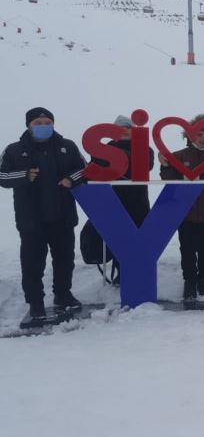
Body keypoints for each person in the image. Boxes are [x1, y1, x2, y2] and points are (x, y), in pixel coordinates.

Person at [1, 107, 86, 319]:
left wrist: (71, 179)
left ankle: (63, 294)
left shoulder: (67, 146)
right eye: (38, 123)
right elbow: (2, 176)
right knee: (32, 263)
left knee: (65, 259)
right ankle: (35, 302)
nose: (43, 126)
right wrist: (24, 175)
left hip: (63, 216)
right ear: (28, 125)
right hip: (31, 219)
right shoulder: (13, 150)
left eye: (47, 122)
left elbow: (85, 169)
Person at [159, 114, 204, 302]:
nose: (202, 139)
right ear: (190, 134)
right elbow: (168, 180)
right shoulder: (178, 156)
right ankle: (189, 280)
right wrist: (164, 165)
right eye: (199, 134)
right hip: (184, 212)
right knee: (187, 247)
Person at [91, 114, 155, 284]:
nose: (124, 131)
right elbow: (95, 167)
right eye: (120, 128)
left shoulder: (145, 148)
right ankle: (121, 272)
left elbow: (147, 165)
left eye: (128, 127)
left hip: (138, 200)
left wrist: (117, 155)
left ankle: (138, 272)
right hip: (114, 199)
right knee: (119, 239)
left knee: (139, 237)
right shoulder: (104, 148)